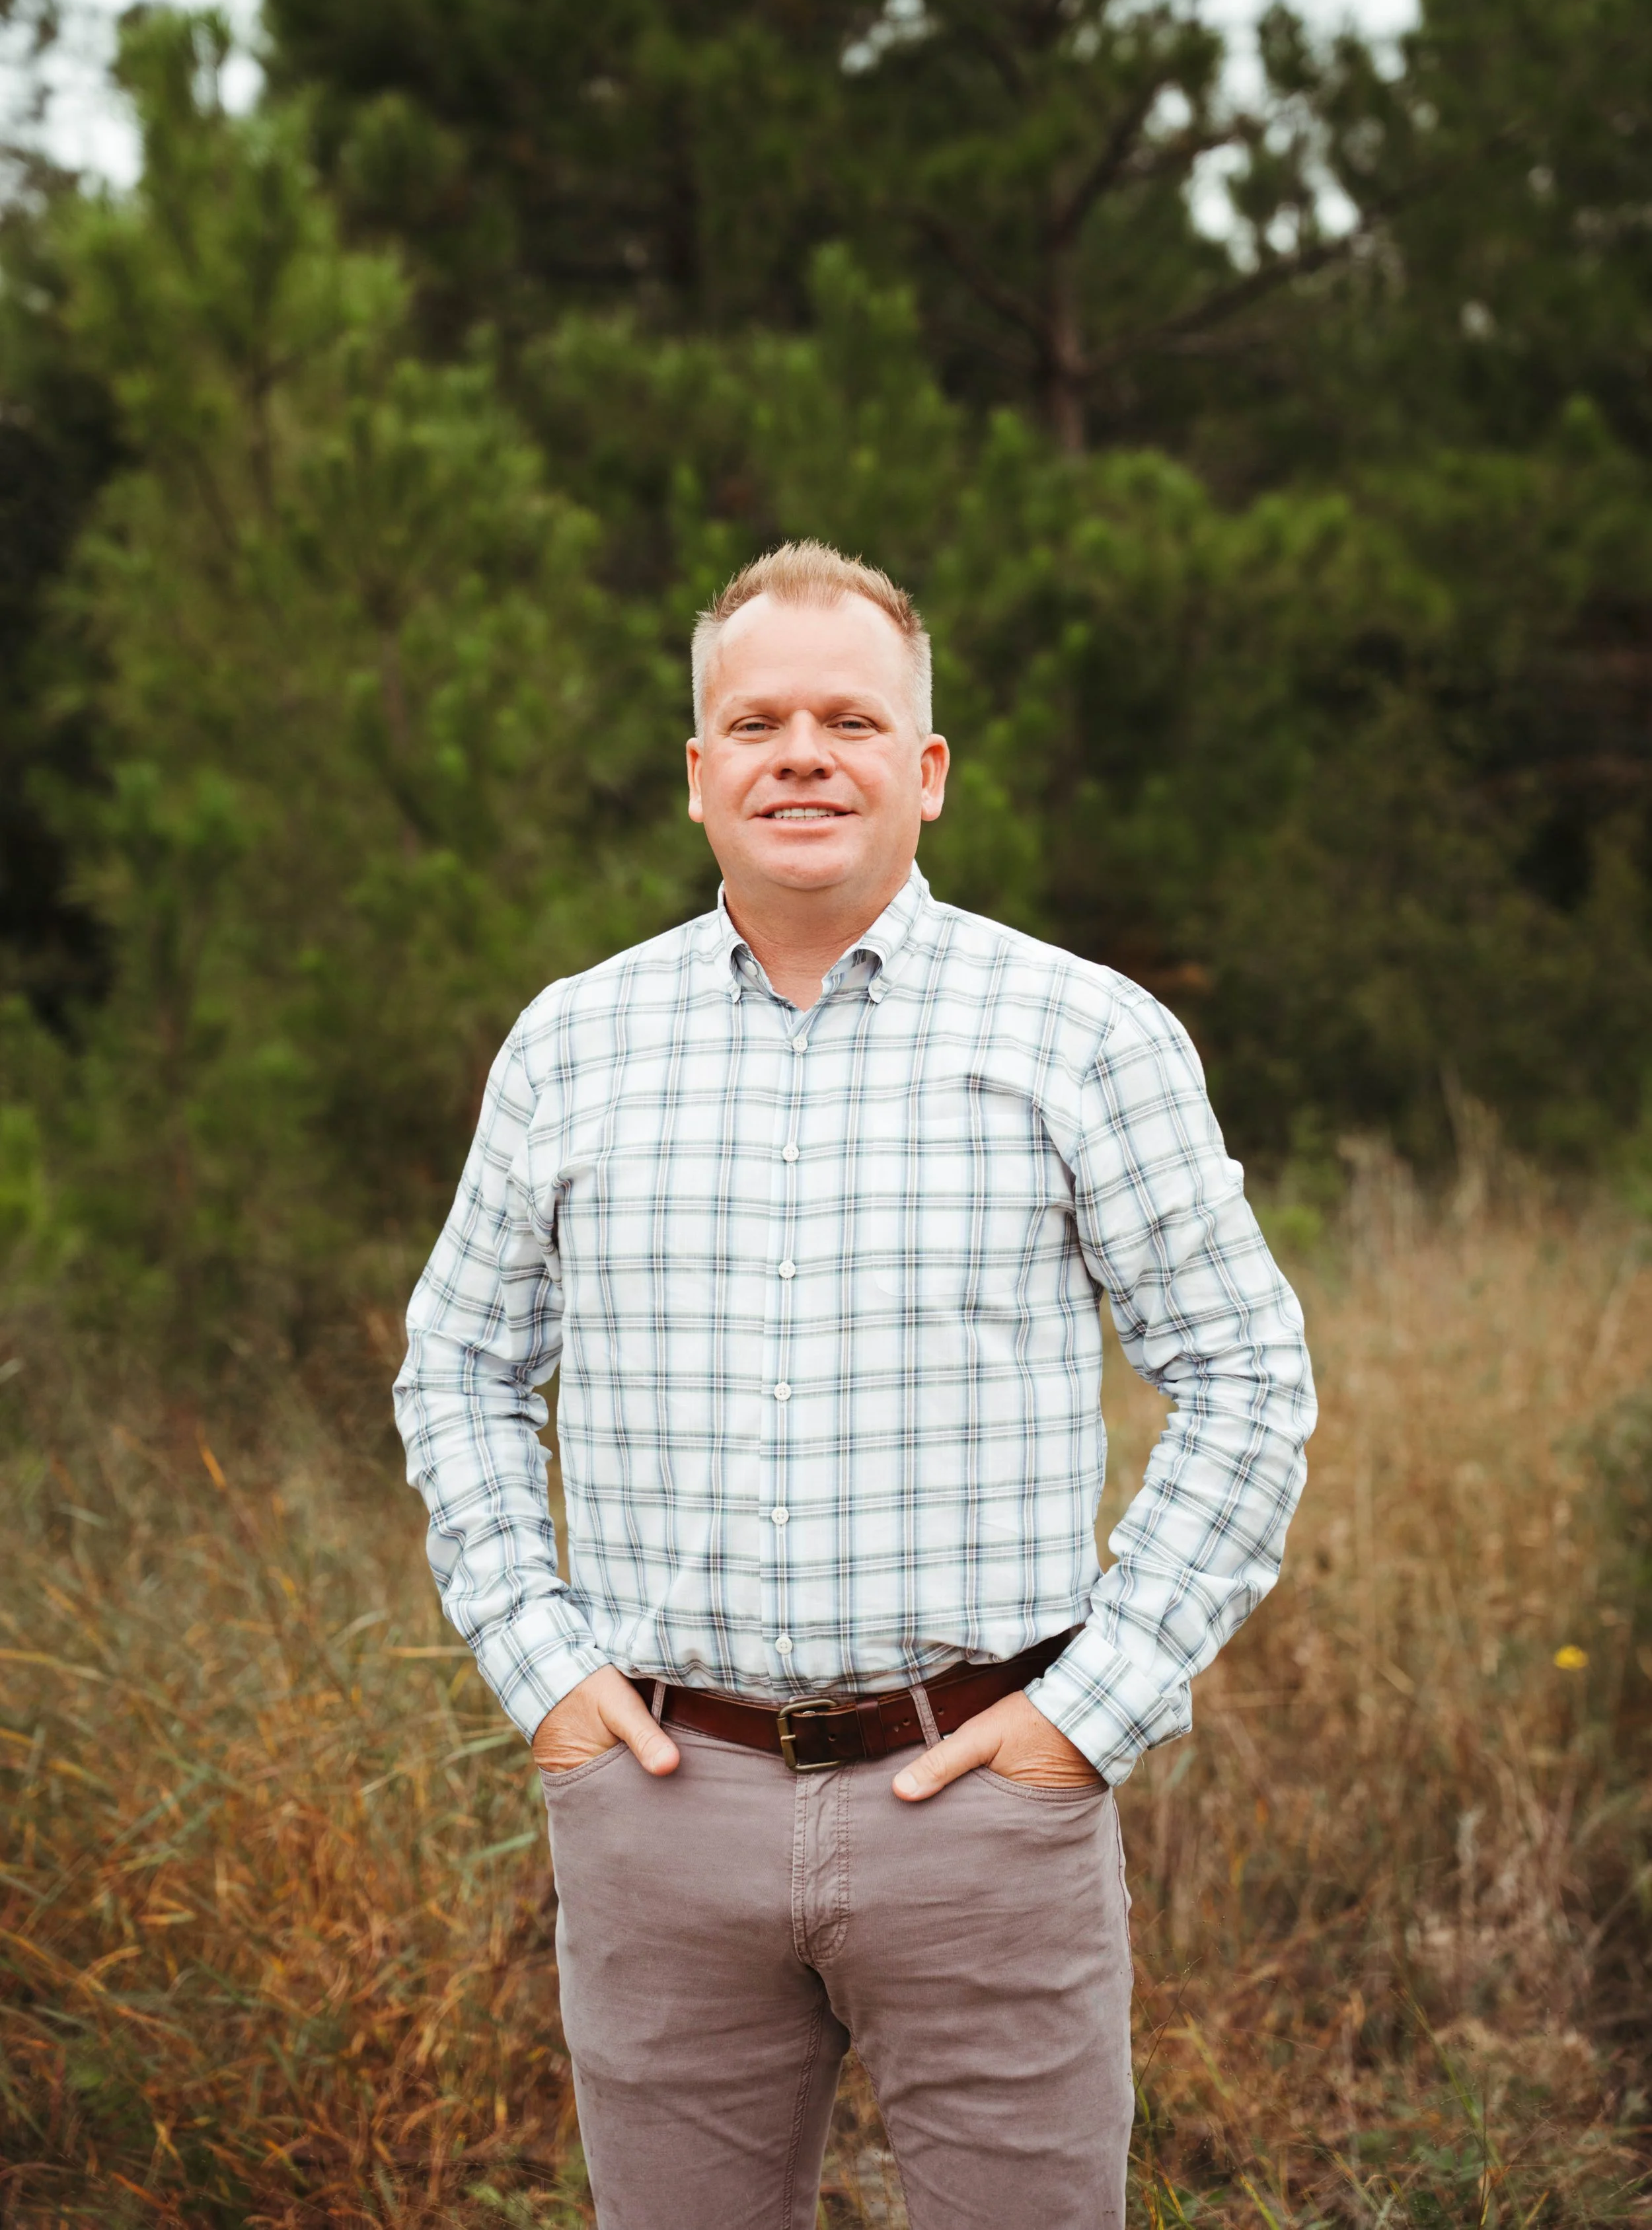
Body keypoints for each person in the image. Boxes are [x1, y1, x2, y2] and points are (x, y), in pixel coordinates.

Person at [393, 540, 1316, 2230]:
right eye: (754, 721)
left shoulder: (1081, 1037)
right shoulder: (571, 1047)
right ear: (697, 775)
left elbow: (1246, 1379)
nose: (800, 753)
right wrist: (542, 1676)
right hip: (662, 1810)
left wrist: (1083, 1720)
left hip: (983, 1807)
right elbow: (456, 1366)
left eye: (848, 718)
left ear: (926, 769)